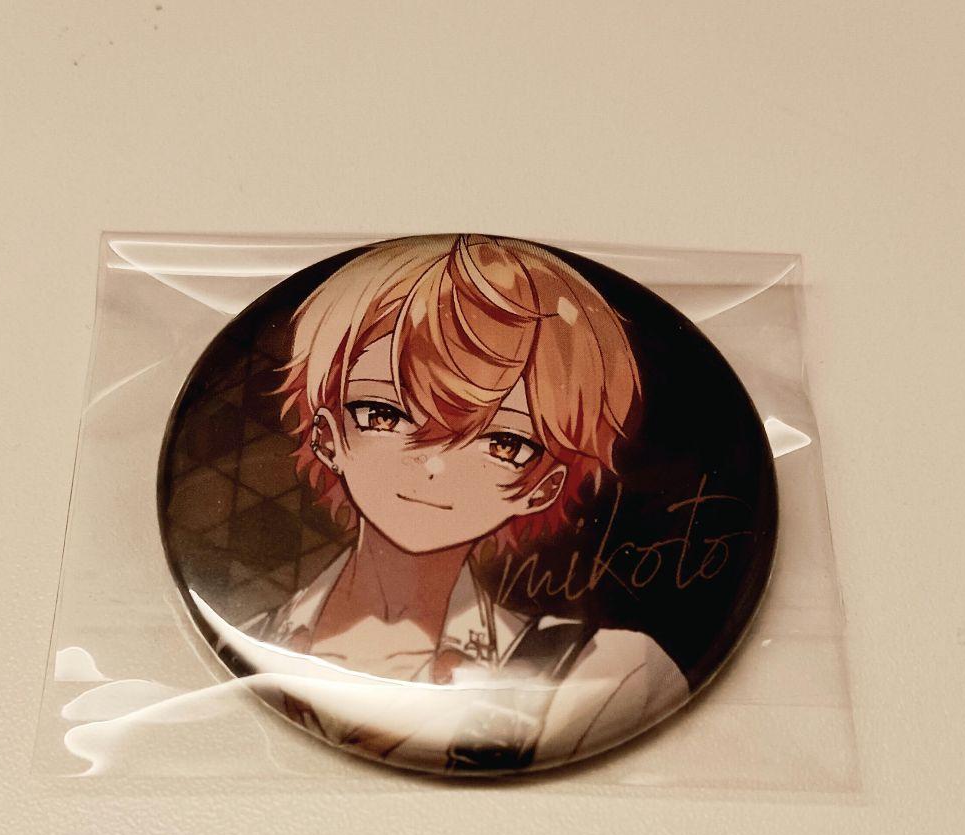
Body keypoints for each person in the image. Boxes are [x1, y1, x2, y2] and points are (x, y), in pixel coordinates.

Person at [208, 234, 688, 773]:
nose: (434, 464)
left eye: (504, 443)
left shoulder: (598, 673)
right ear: (328, 436)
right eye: (385, 414)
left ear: (543, 486)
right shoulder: (236, 644)